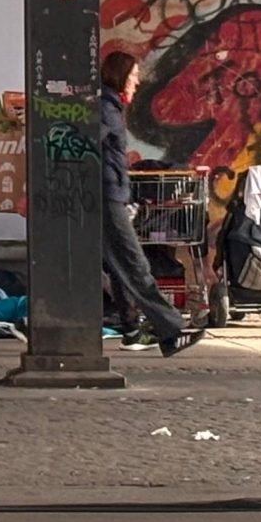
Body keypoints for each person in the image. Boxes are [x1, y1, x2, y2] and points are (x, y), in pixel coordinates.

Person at [102, 51, 201, 358]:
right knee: (134, 265)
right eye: (133, 75)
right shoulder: (106, 109)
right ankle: (170, 331)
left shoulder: (108, 107)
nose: (138, 80)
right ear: (120, 76)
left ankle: (131, 328)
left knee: (118, 266)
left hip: (107, 195)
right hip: (107, 198)